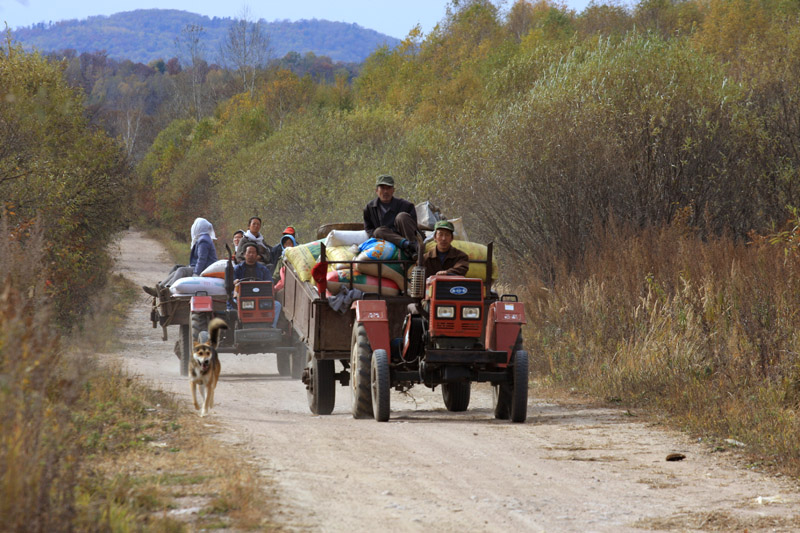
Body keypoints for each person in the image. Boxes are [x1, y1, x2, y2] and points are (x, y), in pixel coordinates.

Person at [143, 217, 218, 296]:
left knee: (181, 270)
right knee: (177, 267)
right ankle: (161, 287)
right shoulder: (203, 238)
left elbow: (202, 259)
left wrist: (196, 273)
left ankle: (168, 290)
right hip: (201, 266)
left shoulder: (203, 240)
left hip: (205, 268)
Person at [363, 174, 419, 257]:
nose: (385, 191)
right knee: (378, 231)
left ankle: (413, 248)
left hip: (406, 236)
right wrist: (379, 237)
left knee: (402, 216)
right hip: (386, 238)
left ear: (393, 190)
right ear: (376, 191)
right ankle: (407, 245)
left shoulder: (406, 206)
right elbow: (369, 229)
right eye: (382, 188)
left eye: (388, 188)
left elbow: (413, 226)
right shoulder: (369, 208)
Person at [233, 243, 280, 327]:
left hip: (261, 299)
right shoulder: (237, 269)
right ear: (244, 254)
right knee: (232, 306)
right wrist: (235, 282)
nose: (251, 255)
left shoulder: (263, 269)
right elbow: (232, 281)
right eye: (249, 252)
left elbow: (270, 283)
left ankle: (271, 326)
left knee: (277, 305)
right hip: (241, 299)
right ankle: (238, 326)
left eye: (254, 252)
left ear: (257, 255)